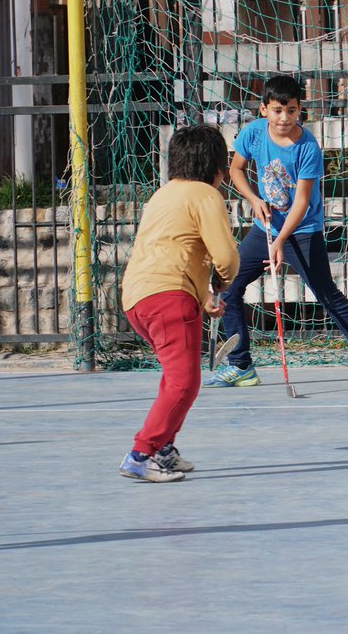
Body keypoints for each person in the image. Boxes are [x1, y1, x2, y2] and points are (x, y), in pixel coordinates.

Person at [206, 75, 348, 388]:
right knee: (229, 286)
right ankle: (241, 366)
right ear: (265, 109)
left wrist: (280, 241)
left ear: (300, 110)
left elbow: (302, 202)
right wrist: (254, 200)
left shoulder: (307, 147)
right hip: (263, 228)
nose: (284, 118)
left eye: (292, 111)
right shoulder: (253, 133)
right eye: (278, 110)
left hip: (303, 231)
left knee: (327, 296)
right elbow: (236, 170)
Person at [119, 125, 239, 482]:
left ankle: (165, 448)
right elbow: (226, 255)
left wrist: (205, 297)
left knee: (175, 378)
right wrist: (224, 281)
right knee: (185, 382)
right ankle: (142, 454)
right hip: (170, 297)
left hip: (139, 298)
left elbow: (176, 252)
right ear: (218, 170)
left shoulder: (163, 195)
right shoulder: (206, 195)